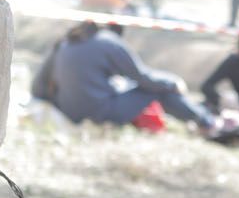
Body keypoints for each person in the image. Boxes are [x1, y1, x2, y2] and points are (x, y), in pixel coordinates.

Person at [46, 21, 215, 128]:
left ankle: (199, 115)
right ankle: (205, 120)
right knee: (160, 89)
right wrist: (173, 82)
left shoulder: (70, 40)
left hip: (69, 111)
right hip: (97, 113)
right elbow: (143, 78)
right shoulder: (110, 42)